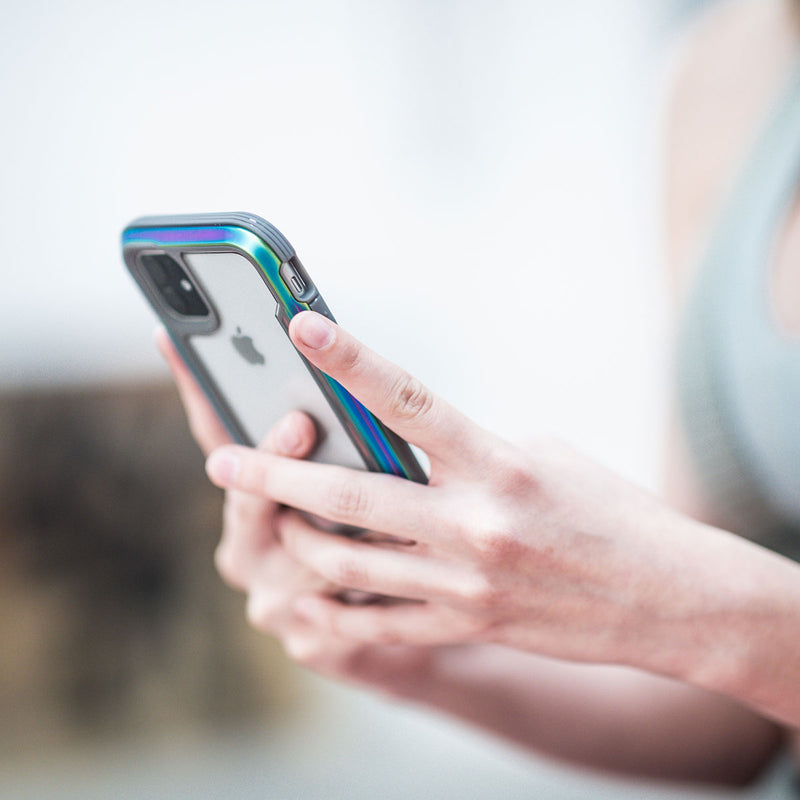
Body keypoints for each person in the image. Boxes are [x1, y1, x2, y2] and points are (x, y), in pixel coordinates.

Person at [157, 0, 800, 789]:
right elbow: (738, 721)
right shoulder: (731, 69)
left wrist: (685, 604)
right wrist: (407, 657)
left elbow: (726, 630)